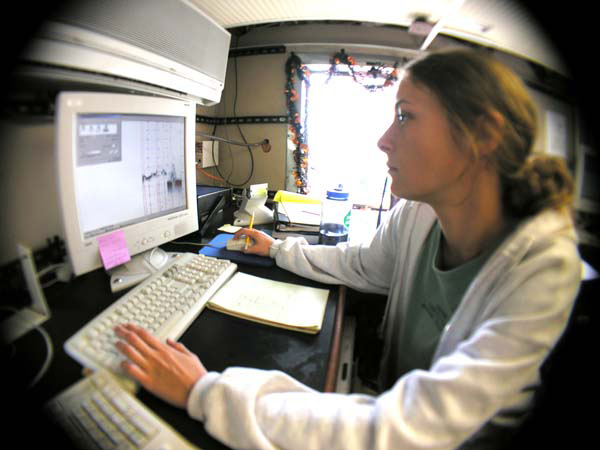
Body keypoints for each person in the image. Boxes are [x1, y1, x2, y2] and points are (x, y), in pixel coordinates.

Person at [114, 49, 581, 449]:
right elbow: (361, 265)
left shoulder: (545, 268)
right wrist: (276, 249)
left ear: (483, 135)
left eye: (405, 115)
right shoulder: (420, 213)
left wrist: (204, 392)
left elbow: (411, 430)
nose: (384, 140)